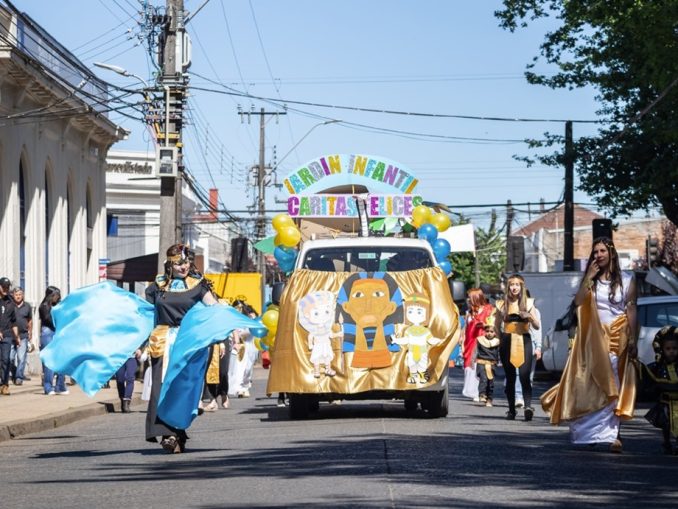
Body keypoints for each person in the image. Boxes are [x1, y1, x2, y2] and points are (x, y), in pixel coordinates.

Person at [541, 237, 637, 453]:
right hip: (593, 337)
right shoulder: (591, 280)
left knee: (613, 384)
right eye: (595, 252)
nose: (598, 255)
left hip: (617, 336)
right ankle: (590, 434)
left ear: (611, 253)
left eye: (602, 251)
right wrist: (589, 278)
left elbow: (631, 309)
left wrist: (633, 337)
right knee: (591, 384)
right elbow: (577, 302)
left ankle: (614, 435)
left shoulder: (628, 279)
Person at [144, 243, 217, 453]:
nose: (183, 267)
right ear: (169, 265)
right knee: (160, 388)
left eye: (186, 262)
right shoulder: (157, 286)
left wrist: (227, 327)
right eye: (178, 263)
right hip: (162, 342)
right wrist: (139, 343)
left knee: (181, 389)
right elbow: (146, 313)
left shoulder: (198, 285)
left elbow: (214, 309)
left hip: (188, 344)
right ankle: (168, 434)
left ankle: (178, 432)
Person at [494, 274, 540, 421]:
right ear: (508, 287)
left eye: (517, 285)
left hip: (524, 339)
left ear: (521, 286)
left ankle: (528, 407)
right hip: (507, 340)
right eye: (512, 285)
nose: (514, 287)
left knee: (525, 375)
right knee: (510, 377)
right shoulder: (501, 304)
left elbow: (537, 326)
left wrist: (529, 317)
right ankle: (512, 410)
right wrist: (501, 339)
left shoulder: (529, 303)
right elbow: (496, 325)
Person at [638, 326, 678, 455]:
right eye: (668, 349)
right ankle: (667, 443)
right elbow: (648, 377)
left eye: (675, 349)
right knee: (666, 423)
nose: (671, 352)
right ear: (662, 349)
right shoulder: (658, 367)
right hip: (665, 402)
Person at [461, 288, 493, 401]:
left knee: (481, 367)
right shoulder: (469, 312)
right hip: (469, 343)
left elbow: (492, 325)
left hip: (482, 342)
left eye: (470, 298)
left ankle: (482, 392)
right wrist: (462, 339)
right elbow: (466, 327)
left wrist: (484, 325)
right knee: (470, 366)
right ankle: (472, 391)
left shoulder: (488, 310)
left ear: (476, 298)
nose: (468, 300)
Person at [39, 286, 68, 395]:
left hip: (58, 332)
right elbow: (48, 320)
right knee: (50, 361)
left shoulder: (58, 305)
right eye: (56, 295)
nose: (58, 297)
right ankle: (48, 387)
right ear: (50, 295)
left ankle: (60, 386)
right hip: (48, 333)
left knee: (61, 360)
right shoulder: (44, 306)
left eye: (58, 295)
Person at [515, 297, 542, 408]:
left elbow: (538, 330)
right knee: (518, 372)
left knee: (529, 374)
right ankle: (518, 397)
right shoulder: (514, 310)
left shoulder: (536, 312)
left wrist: (538, 347)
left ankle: (527, 398)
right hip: (517, 343)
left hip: (532, 343)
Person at [0, 277, 20, 395]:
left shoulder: (10, 302)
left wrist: (17, 337)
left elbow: (13, 321)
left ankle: (5, 384)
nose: (6, 289)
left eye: (7, 287)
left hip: (7, 335)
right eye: (3, 287)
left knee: (6, 360)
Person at [9, 287, 33, 386]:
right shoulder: (10, 305)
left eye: (20, 294)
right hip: (10, 336)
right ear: (13, 295)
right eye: (16, 295)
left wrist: (30, 332)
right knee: (9, 358)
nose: (18, 296)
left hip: (23, 336)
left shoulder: (27, 306)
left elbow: (30, 320)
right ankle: (15, 373)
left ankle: (19, 377)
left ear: (22, 295)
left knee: (21, 358)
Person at [476, 315, 500, 407]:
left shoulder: (497, 342)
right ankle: (482, 394)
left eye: (491, 331)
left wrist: (500, 361)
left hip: (492, 364)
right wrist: (472, 360)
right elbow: (475, 351)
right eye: (487, 331)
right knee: (483, 379)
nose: (489, 333)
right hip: (482, 363)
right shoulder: (480, 340)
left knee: (491, 382)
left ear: (495, 333)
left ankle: (489, 399)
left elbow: (499, 353)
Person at [115, 348, 142, 413]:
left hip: (132, 356)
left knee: (130, 378)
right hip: (119, 356)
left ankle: (126, 402)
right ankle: (122, 399)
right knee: (120, 380)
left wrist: (140, 349)